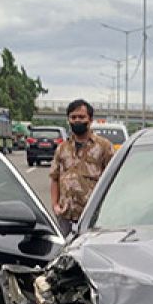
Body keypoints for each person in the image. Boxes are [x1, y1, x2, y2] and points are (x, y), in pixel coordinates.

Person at [49, 98, 114, 236]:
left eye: (81, 117)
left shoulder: (104, 147)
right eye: (73, 117)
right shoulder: (62, 148)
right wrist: (55, 206)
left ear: (90, 120)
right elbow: (54, 178)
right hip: (65, 217)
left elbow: (113, 180)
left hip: (93, 217)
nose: (77, 120)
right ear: (68, 120)